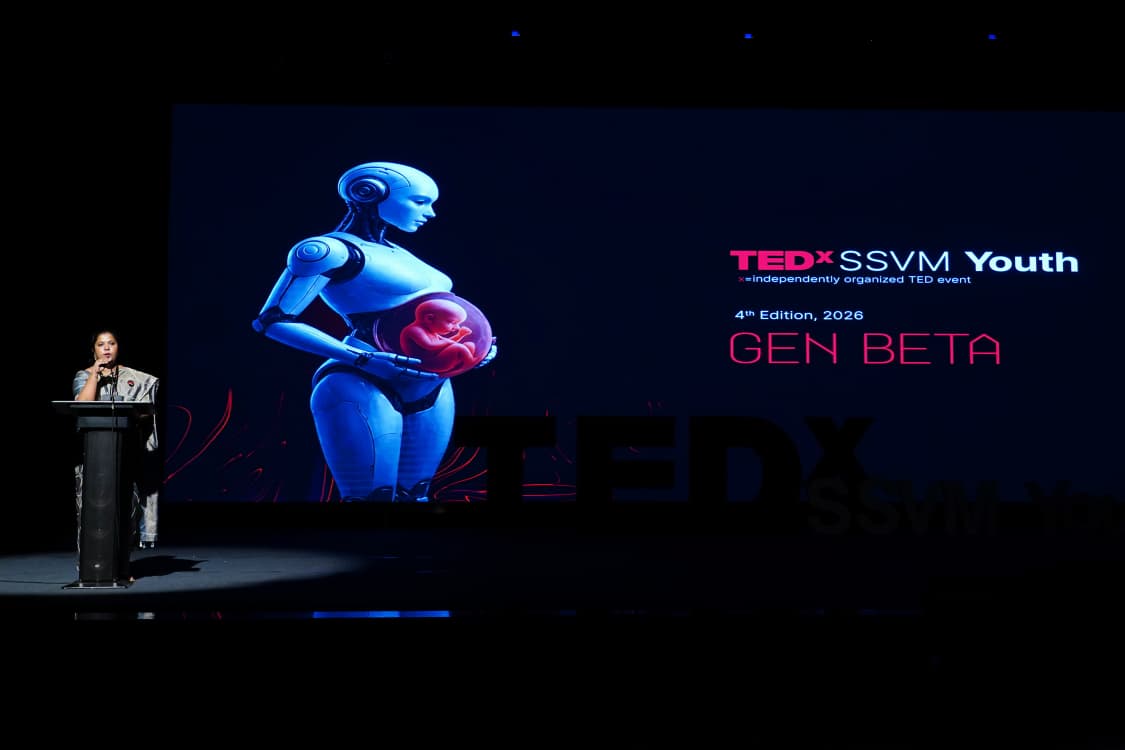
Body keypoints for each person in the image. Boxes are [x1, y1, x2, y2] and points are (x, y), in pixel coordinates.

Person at [252, 161, 496, 502]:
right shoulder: (328, 251)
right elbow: (273, 320)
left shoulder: (399, 253)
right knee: (371, 499)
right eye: (420, 201)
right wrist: (362, 358)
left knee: (416, 495)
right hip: (361, 379)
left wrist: (475, 349)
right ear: (372, 192)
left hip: (432, 384)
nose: (430, 213)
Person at [72, 330, 161, 550]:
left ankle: (121, 563)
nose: (106, 348)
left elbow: (145, 413)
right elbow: (83, 405)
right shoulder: (84, 375)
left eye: (111, 343)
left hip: (126, 454)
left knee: (125, 510)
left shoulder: (135, 379)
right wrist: (95, 374)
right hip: (93, 456)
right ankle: (89, 564)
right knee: (91, 511)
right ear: (93, 350)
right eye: (101, 344)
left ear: (118, 347)